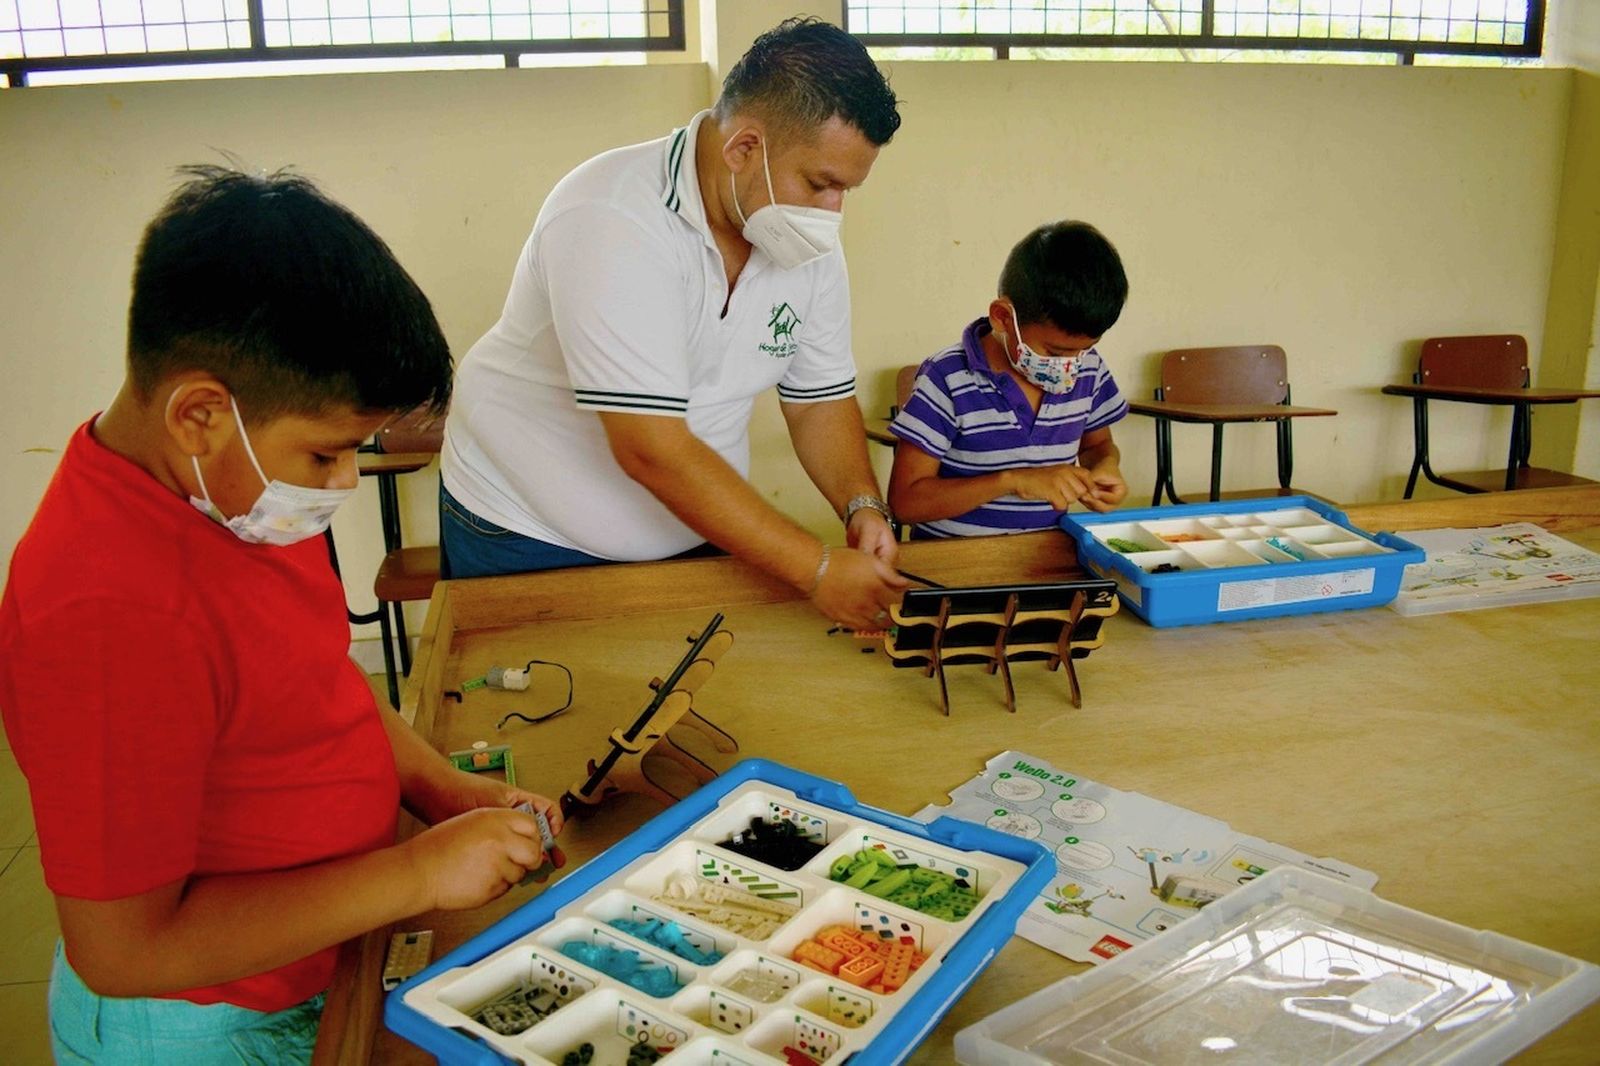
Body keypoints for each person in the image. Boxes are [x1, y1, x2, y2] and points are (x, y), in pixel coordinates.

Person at [0, 166, 564, 1064]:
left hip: (322, 962)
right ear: (198, 413)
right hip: (208, 1024)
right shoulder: (105, 611)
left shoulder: (235, 489)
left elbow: (317, 682)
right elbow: (123, 950)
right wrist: (417, 870)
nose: (343, 482)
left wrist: (443, 791)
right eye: (329, 450)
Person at [440, 17, 906, 629]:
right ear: (744, 148)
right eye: (821, 183)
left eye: (847, 190)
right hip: (527, 534)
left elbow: (818, 401)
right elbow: (650, 449)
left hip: (695, 527)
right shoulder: (611, 218)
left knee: (689, 704)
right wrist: (815, 568)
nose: (832, 212)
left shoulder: (802, 241)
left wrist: (862, 506)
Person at [886, 221, 1132, 539]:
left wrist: (1105, 466)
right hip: (953, 569)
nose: (1070, 365)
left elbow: (1097, 445)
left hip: (1043, 562)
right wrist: (1013, 480)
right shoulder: (946, 377)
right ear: (1003, 317)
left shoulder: (1089, 370)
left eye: (1085, 349)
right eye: (1055, 352)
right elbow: (905, 503)